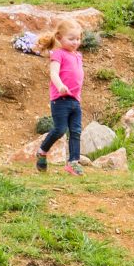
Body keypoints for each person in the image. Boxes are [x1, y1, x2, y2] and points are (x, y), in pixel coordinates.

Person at [34, 19, 85, 176]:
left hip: (75, 100)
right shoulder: (58, 54)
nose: (75, 42)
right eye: (71, 39)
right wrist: (60, 86)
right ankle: (42, 151)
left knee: (76, 131)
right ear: (60, 38)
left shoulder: (78, 55)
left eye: (77, 39)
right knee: (60, 129)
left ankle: (73, 162)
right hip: (60, 99)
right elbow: (54, 73)